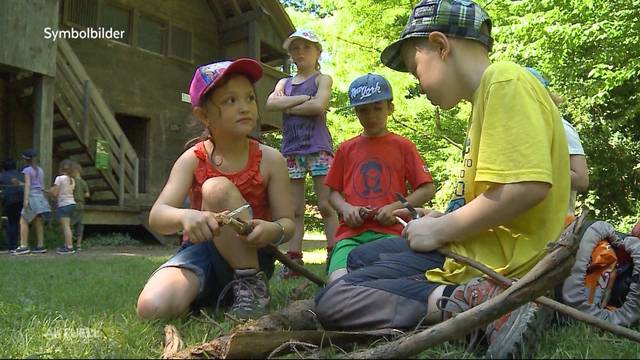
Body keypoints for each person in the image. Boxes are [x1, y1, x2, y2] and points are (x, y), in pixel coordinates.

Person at [314, 1, 570, 358]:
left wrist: (441, 230)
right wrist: (443, 218)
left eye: (416, 70)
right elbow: (501, 195)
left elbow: (526, 187)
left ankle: (477, 304)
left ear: (440, 46)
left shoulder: (505, 80)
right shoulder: (487, 96)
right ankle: (472, 299)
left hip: (509, 261)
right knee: (361, 259)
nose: (419, 85)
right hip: (483, 249)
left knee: (335, 299)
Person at [136, 59, 294, 320]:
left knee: (216, 189)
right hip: (201, 254)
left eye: (250, 98)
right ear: (203, 115)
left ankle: (251, 288)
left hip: (252, 257)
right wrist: (186, 217)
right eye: (230, 100)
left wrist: (273, 229)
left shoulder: (271, 159)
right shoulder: (192, 159)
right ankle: (215, 291)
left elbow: (288, 223)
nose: (244, 107)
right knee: (151, 308)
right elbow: (158, 217)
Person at [325, 73, 435, 282]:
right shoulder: (346, 149)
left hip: (392, 233)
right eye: (363, 110)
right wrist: (347, 209)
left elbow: (427, 189)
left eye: (378, 108)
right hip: (351, 236)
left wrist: (395, 208)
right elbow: (332, 193)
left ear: (390, 108)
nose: (371, 116)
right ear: (355, 112)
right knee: (338, 284)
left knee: (388, 280)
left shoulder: (403, 146)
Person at [266, 29, 338, 279]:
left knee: (326, 205)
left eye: (306, 47)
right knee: (295, 209)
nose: (300, 53)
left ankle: (334, 256)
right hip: (292, 151)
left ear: (317, 51)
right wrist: (303, 100)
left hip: (318, 148)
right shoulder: (283, 83)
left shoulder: (323, 79)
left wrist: (291, 103)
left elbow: (319, 106)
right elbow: (271, 104)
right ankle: (294, 263)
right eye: (295, 48)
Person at [526, 67, 589, 225]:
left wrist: (531, 168)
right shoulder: (523, 131)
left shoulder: (561, 127)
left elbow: (581, 179)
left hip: (557, 226)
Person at [14, 149, 52, 255]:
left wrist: (25, 200)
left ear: (25, 160)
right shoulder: (40, 170)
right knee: (38, 221)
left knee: (23, 220)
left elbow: (28, 185)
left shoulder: (27, 170)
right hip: (40, 197)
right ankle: (40, 245)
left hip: (31, 197)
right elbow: (38, 186)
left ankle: (23, 245)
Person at [50, 159, 76, 254]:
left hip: (63, 204)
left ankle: (69, 247)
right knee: (68, 225)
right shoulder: (72, 180)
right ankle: (67, 244)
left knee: (65, 226)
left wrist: (51, 191)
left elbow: (55, 193)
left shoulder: (59, 179)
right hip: (71, 203)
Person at [0, 158, 24, 252]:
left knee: (11, 222)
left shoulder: (2, 176)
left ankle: (12, 244)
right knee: (20, 222)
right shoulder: (22, 175)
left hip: (9, 201)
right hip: (22, 200)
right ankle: (19, 242)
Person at [70, 161, 90, 250]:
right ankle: (79, 244)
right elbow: (87, 195)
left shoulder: (72, 181)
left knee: (70, 223)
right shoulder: (83, 182)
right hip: (81, 204)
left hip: (72, 203)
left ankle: (69, 241)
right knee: (79, 224)